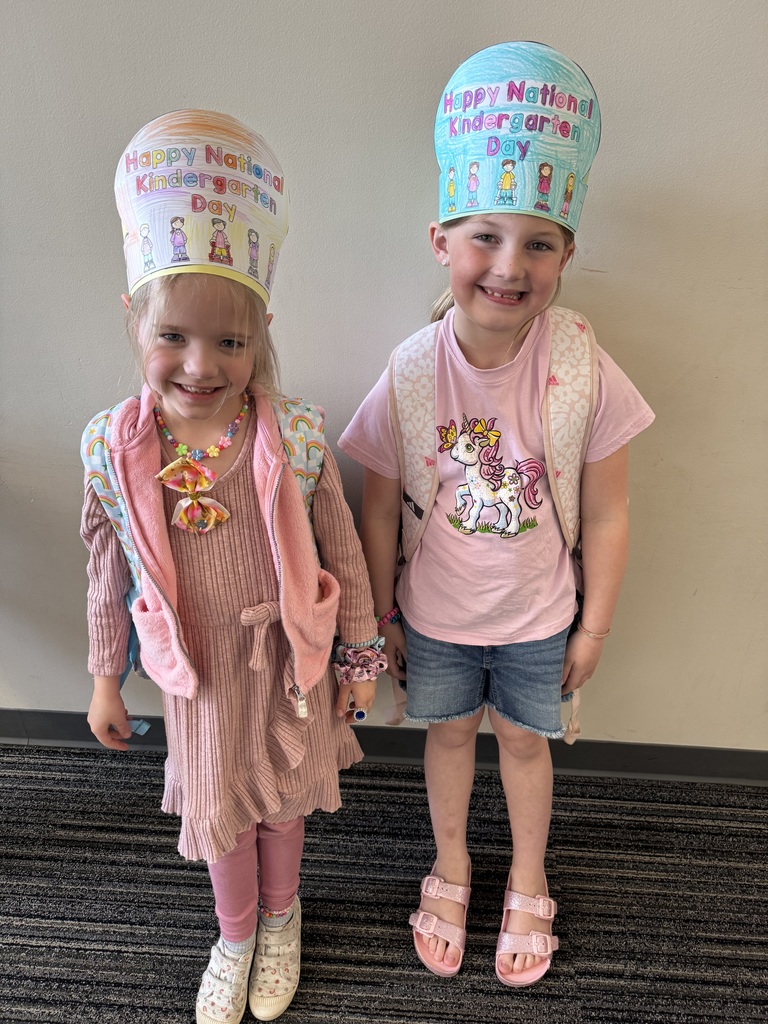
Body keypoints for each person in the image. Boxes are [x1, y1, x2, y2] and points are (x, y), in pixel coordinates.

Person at [339, 42, 654, 988]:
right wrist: (382, 617)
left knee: (524, 743)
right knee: (445, 739)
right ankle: (452, 864)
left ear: (566, 252)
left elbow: (607, 509)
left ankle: (525, 870)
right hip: (435, 615)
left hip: (536, 617)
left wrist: (594, 625)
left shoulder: (581, 367)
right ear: (443, 240)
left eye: (539, 242)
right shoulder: (408, 370)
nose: (509, 267)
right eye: (485, 236)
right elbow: (379, 501)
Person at [82, 110, 385, 1024]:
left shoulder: (289, 433)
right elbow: (108, 567)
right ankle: (238, 932)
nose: (201, 365)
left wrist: (358, 662)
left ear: (260, 336)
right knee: (220, 810)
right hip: (201, 674)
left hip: (286, 658)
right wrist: (105, 678)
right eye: (174, 335)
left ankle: (285, 919)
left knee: (286, 800)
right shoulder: (111, 447)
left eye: (231, 342)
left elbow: (341, 546)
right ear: (134, 318)